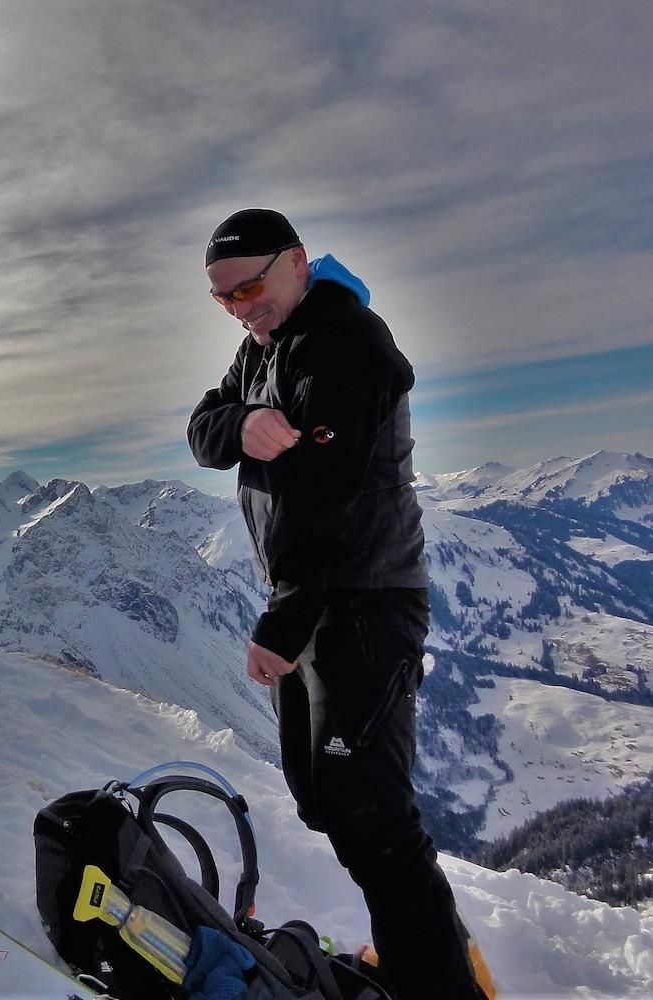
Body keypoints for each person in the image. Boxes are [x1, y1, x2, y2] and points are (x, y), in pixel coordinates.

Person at [187, 209, 491, 999]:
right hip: (317, 604)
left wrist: (284, 623)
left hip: (363, 602)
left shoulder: (346, 341)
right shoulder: (264, 347)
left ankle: (441, 981)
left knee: (373, 819)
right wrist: (243, 421)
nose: (241, 308)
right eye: (223, 298)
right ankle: (425, 944)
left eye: (251, 286)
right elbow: (201, 428)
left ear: (295, 262)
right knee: (325, 799)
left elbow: (332, 496)